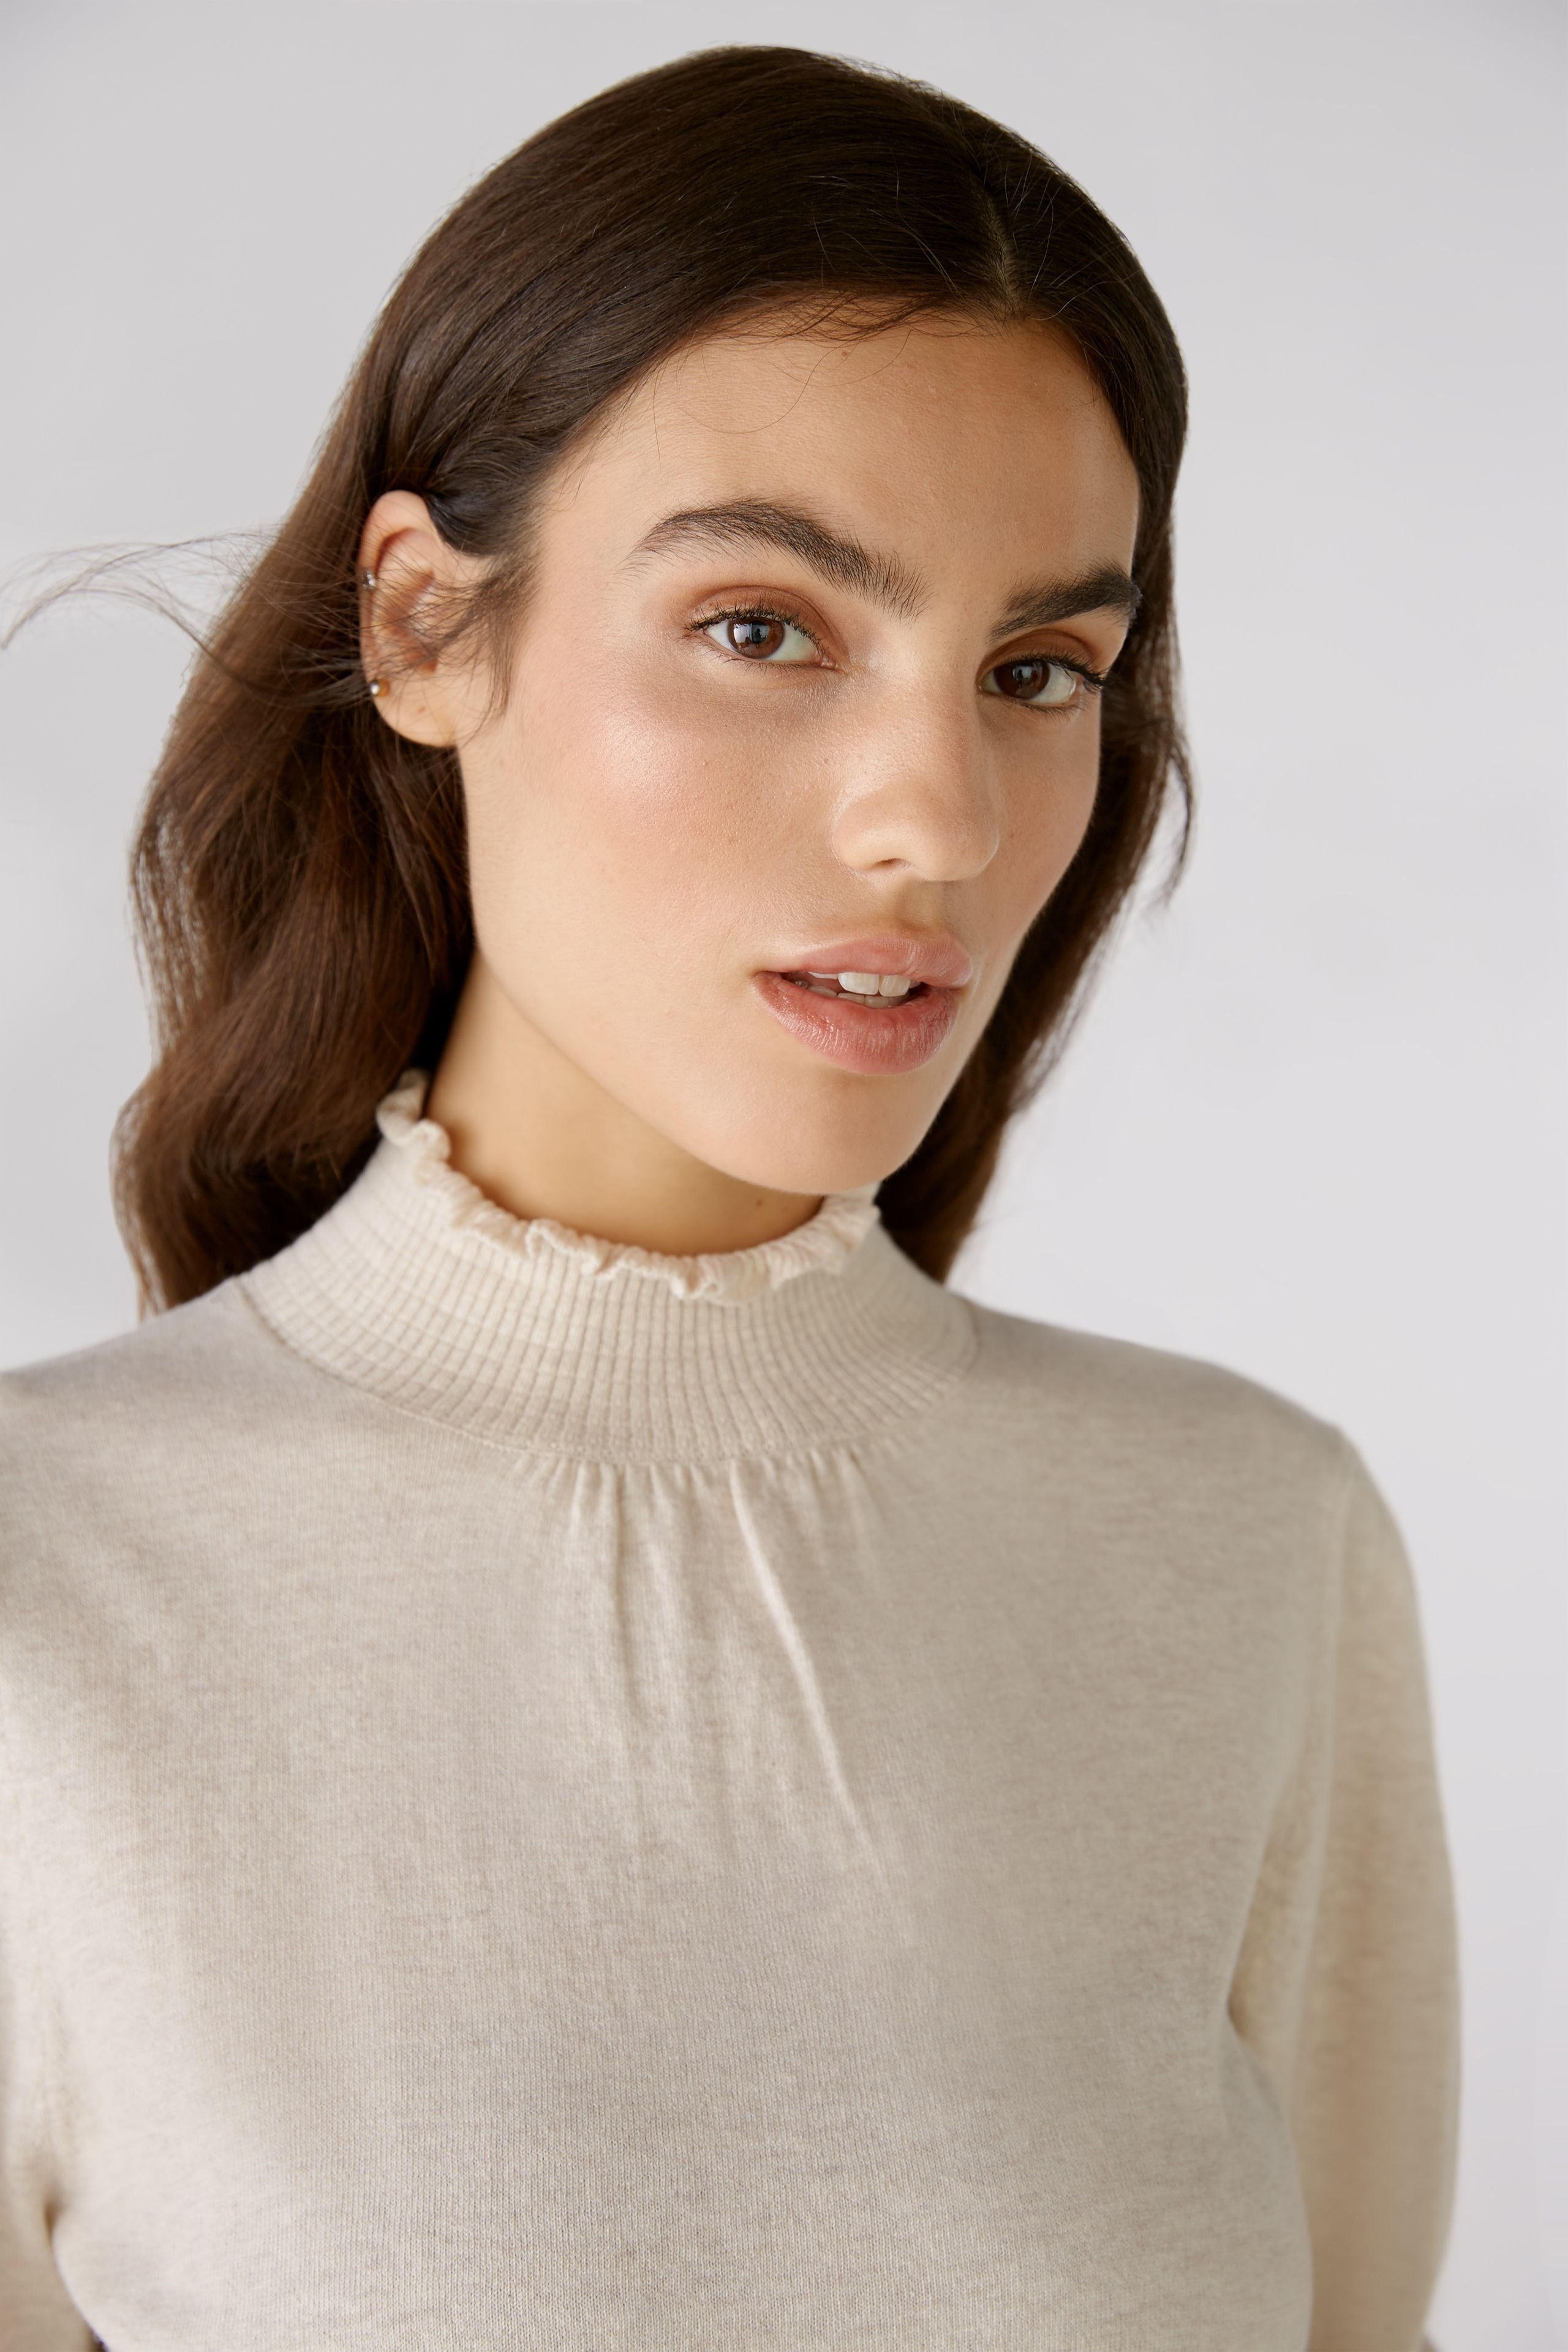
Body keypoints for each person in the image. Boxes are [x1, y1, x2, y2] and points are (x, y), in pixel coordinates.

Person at [0, 43, 1457, 2352]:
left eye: (1037, 670)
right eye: (766, 627)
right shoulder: (45, 1596)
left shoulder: (1247, 1550)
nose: (940, 818)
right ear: (423, 626)